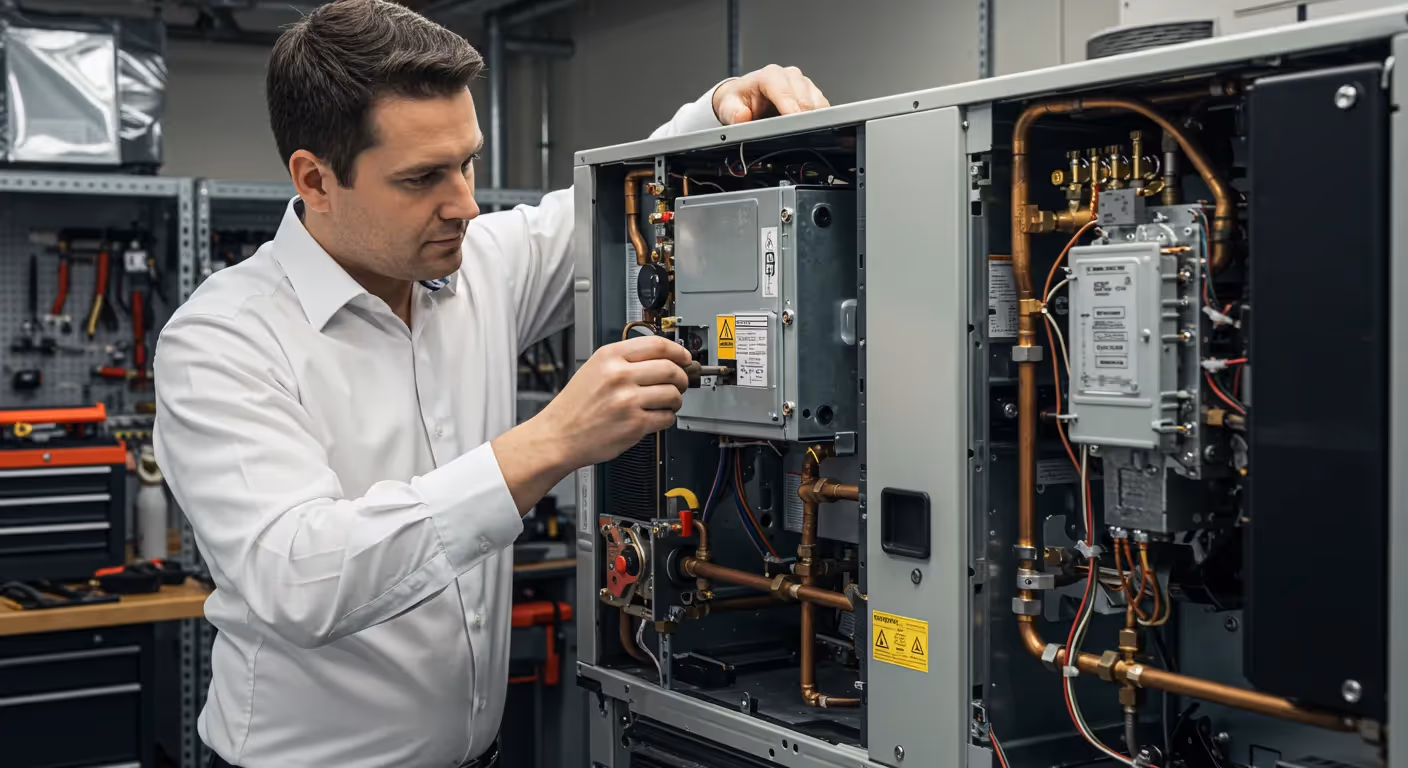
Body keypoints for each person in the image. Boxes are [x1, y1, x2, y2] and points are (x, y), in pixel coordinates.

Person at [152, 1, 830, 766]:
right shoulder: (223, 339)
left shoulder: (475, 264)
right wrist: (548, 444)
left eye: (468, 162)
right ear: (315, 178)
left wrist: (716, 107)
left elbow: (606, 205)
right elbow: (300, 578)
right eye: (422, 178)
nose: (467, 204)